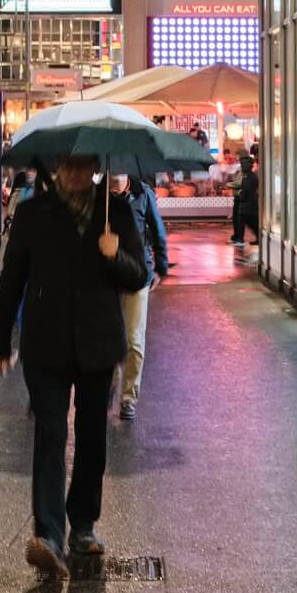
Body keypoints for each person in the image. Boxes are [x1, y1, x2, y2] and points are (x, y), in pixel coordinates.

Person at [0, 157, 146, 579]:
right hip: (46, 344)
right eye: (68, 166)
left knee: (92, 437)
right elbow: (12, 278)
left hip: (98, 345)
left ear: (94, 166)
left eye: (82, 166)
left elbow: (138, 276)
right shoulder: (32, 213)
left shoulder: (116, 211)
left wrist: (115, 255)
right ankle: (49, 536)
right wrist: (0, 341)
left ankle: (83, 525)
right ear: (57, 167)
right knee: (51, 434)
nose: (74, 174)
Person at [109, 172, 169, 422]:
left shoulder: (142, 193)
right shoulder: (98, 195)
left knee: (134, 340)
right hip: (107, 277)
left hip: (138, 275)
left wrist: (161, 267)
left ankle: (128, 397)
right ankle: (108, 387)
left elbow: (157, 229)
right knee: (110, 338)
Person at [231, 151, 260, 251]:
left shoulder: (250, 177)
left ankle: (240, 238)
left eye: (244, 165)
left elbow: (248, 190)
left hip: (248, 203)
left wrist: (241, 194)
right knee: (245, 221)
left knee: (245, 220)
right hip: (246, 203)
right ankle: (241, 238)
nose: (242, 167)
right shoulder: (247, 176)